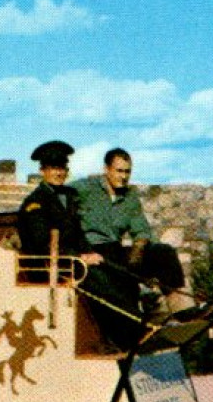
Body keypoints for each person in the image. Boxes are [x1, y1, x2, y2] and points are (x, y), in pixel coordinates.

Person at [17, 140, 140, 347]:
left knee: (116, 270)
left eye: (63, 168)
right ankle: (131, 330)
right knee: (97, 279)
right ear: (43, 170)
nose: (59, 173)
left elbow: (78, 234)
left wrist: (92, 253)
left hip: (71, 260)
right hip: (51, 265)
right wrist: (80, 257)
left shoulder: (69, 197)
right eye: (54, 168)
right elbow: (43, 244)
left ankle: (127, 327)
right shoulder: (35, 203)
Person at [72, 148, 197, 318]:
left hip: (115, 250)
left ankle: (184, 313)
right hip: (91, 250)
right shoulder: (84, 188)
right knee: (120, 278)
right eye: (119, 171)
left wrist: (137, 253)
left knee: (164, 252)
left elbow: (141, 231)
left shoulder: (130, 197)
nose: (123, 176)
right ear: (106, 169)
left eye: (127, 172)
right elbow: (58, 206)